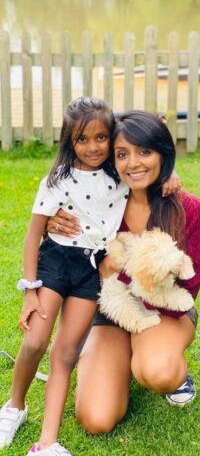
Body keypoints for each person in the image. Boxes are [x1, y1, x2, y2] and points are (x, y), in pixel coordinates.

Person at [48, 110, 200, 436]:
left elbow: (188, 287)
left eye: (144, 152)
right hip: (110, 310)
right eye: (122, 154)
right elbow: (68, 262)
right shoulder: (99, 204)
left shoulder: (191, 209)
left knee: (158, 371)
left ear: (163, 153)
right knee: (96, 420)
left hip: (164, 311)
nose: (133, 163)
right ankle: (110, 359)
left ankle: (152, 355)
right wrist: (51, 226)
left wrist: (119, 273)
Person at [0, 97, 131, 455]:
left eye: (101, 137)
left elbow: (148, 152)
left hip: (91, 269)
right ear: (69, 141)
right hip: (55, 262)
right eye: (82, 139)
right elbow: (32, 235)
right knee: (34, 341)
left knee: (66, 353)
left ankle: (46, 443)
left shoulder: (120, 176)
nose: (93, 147)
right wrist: (30, 289)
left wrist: (172, 176)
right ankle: (14, 407)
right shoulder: (57, 179)